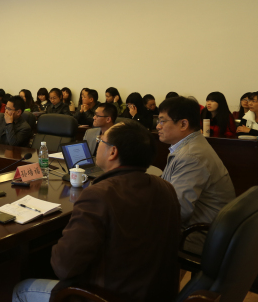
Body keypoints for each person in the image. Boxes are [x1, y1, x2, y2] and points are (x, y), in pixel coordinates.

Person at [13, 122, 181, 302]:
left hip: (110, 295)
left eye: (101, 141)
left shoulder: (99, 195)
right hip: (155, 293)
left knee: (20, 289)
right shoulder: (166, 187)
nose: (97, 145)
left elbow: (63, 267)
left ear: (113, 152)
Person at [157, 96, 235, 255]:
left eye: (162, 121)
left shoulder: (190, 156)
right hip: (204, 227)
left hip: (198, 236)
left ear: (183, 124)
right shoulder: (189, 146)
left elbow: (178, 211)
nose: (158, 126)